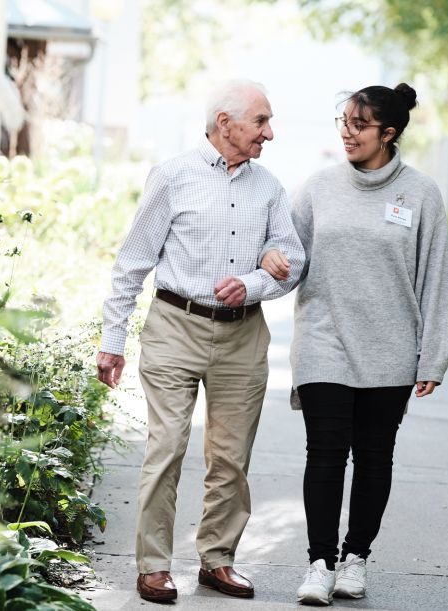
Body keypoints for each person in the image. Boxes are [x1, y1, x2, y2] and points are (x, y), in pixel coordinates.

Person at [96, 79, 305, 603]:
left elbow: (292, 260)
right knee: (166, 447)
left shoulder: (270, 188)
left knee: (231, 457)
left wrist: (255, 282)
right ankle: (153, 565)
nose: (270, 133)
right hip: (175, 325)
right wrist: (112, 339)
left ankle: (217, 560)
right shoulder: (173, 177)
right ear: (224, 124)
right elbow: (133, 262)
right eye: (261, 122)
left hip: (243, 334)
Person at [259, 83, 448, 606]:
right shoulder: (319, 188)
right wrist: (267, 263)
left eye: (359, 124)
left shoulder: (420, 194)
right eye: (343, 121)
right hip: (325, 343)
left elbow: (435, 279)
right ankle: (319, 564)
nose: (347, 132)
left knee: (373, 458)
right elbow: (287, 255)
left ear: (388, 134)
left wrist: (433, 353)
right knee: (324, 454)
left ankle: (355, 558)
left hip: (390, 349)